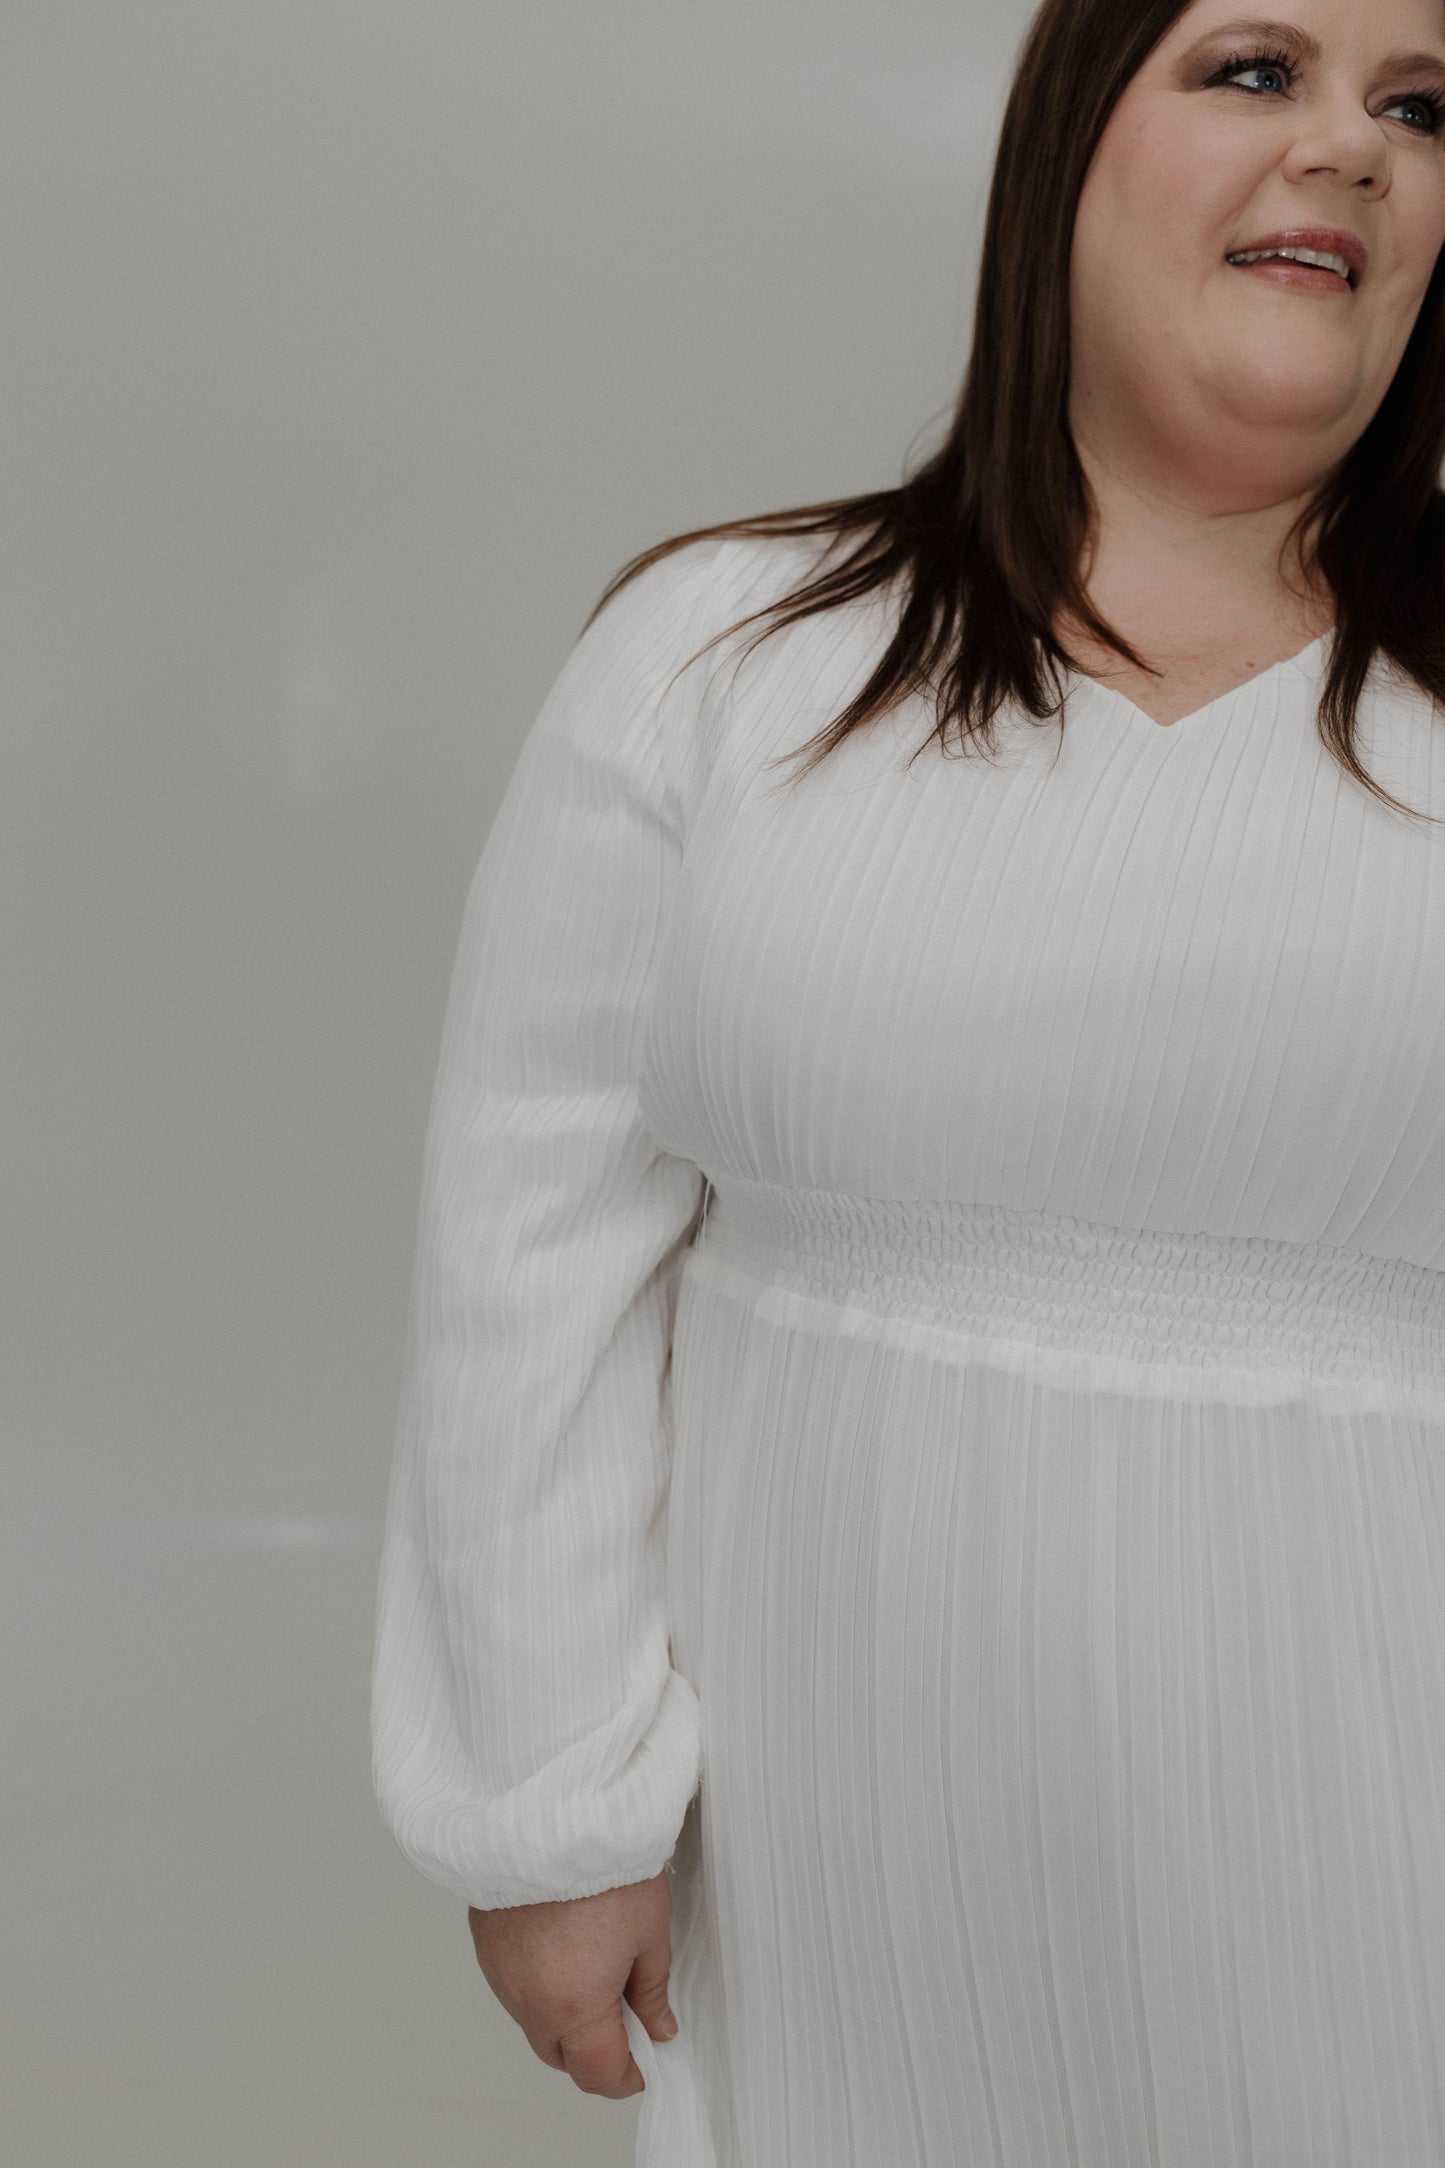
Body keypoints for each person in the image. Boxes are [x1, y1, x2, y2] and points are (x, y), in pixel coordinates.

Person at [371, 0, 1445, 2159]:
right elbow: (531, 1241)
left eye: (1422, 110)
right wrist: (543, 1801)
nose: (1351, 144)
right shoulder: (729, 660)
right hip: (830, 1831)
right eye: (1257, 67)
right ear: (1065, 141)